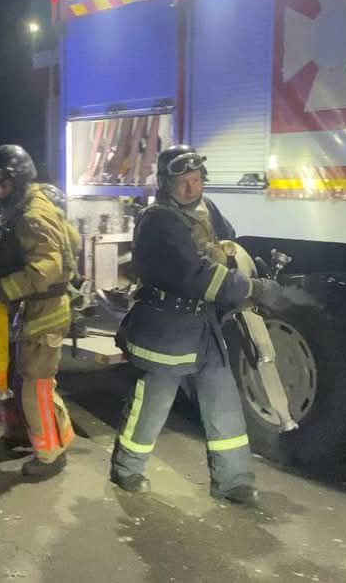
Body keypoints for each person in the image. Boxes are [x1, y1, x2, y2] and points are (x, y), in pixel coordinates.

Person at [109, 144, 286, 505]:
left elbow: (228, 247)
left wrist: (251, 271)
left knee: (223, 400)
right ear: (165, 184)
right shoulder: (158, 221)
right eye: (183, 182)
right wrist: (252, 289)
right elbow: (195, 275)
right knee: (154, 401)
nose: (192, 188)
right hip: (167, 326)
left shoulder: (207, 209)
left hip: (204, 325)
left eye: (196, 180)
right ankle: (127, 468)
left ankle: (232, 481)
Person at [0, 144, 81, 478]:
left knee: (36, 385)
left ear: (17, 179)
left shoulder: (33, 215)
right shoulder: (22, 207)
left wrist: (0, 289)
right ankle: (34, 435)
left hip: (45, 309)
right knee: (23, 379)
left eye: (1, 183)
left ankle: (49, 453)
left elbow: (46, 268)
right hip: (32, 307)